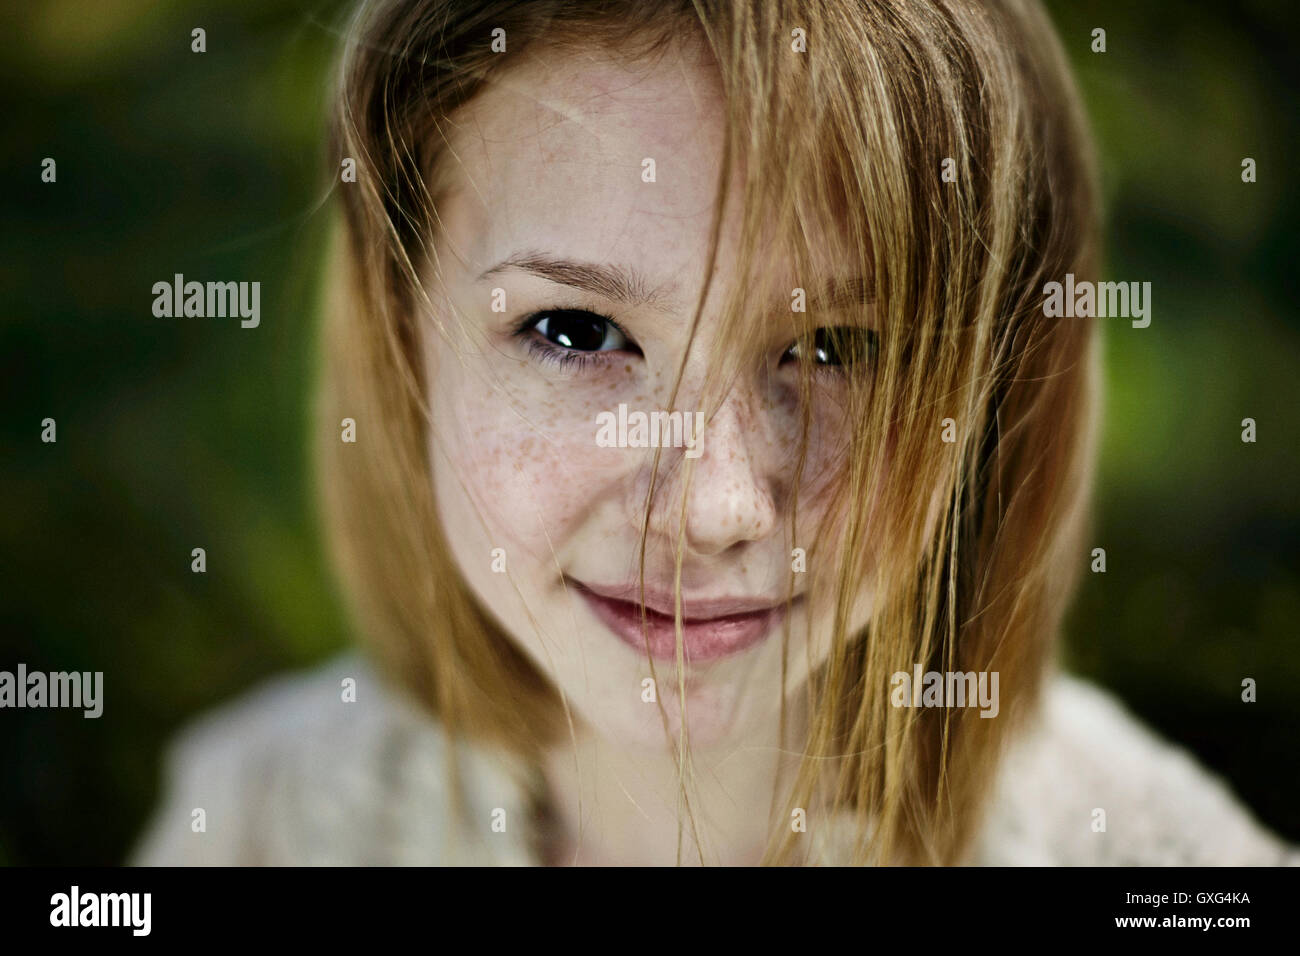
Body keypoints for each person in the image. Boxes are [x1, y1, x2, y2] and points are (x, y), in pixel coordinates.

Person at [133, 0, 1297, 866]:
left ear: (996, 393)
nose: (713, 507)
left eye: (836, 347)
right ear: (403, 340)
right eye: (578, 330)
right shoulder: (257, 817)